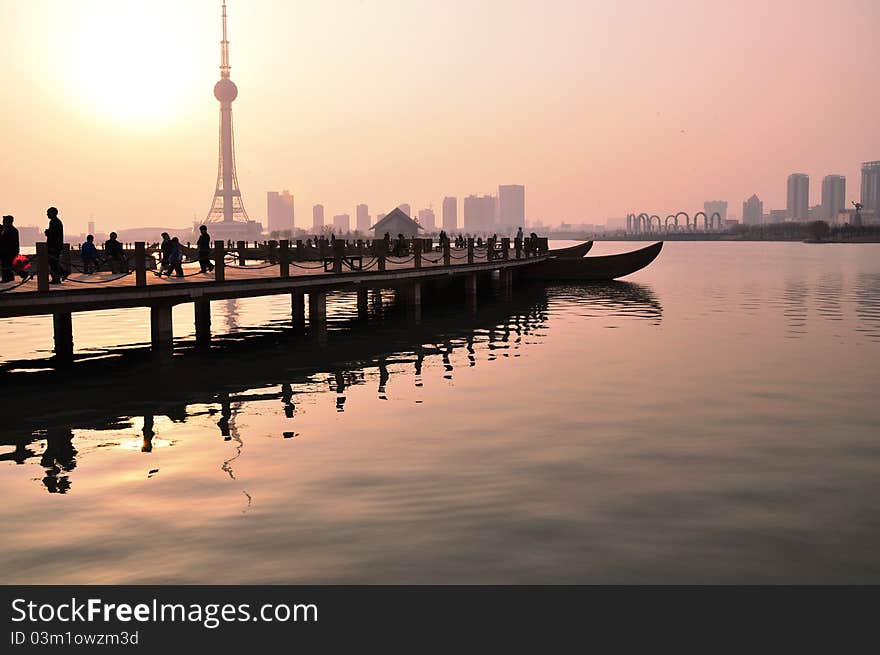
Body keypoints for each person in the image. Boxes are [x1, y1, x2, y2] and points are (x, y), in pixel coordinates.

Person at [45, 207, 66, 283]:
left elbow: (54, 235)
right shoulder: (55, 221)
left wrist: (47, 232)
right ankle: (63, 273)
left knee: (53, 263)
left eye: (48, 213)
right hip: (55, 245)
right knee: (53, 262)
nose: (47, 214)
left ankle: (56, 279)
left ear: (53, 213)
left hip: (54, 246)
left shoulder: (54, 222)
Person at [1, 215, 21, 282]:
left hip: (9, 251)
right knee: (8, 265)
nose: (2, 222)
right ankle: (9, 277)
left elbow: (11, 241)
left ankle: (7, 278)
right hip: (7, 250)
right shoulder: (8, 229)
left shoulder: (11, 230)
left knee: (7, 265)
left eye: (4, 221)